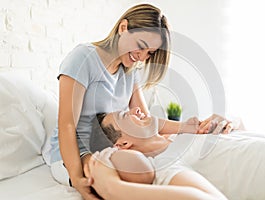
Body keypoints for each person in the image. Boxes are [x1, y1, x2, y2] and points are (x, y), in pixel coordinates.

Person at [48, 3, 222, 200]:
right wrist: (77, 178)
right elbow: (67, 124)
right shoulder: (83, 58)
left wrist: (188, 127)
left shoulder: (130, 71)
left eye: (149, 53)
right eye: (141, 46)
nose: (142, 57)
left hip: (112, 145)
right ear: (123, 28)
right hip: (77, 149)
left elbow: (147, 120)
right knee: (105, 175)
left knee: (147, 172)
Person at [91, 108, 265, 200]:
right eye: (124, 116)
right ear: (123, 144)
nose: (136, 110)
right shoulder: (167, 165)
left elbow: (245, 148)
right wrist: (113, 188)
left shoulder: (187, 135)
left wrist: (231, 124)